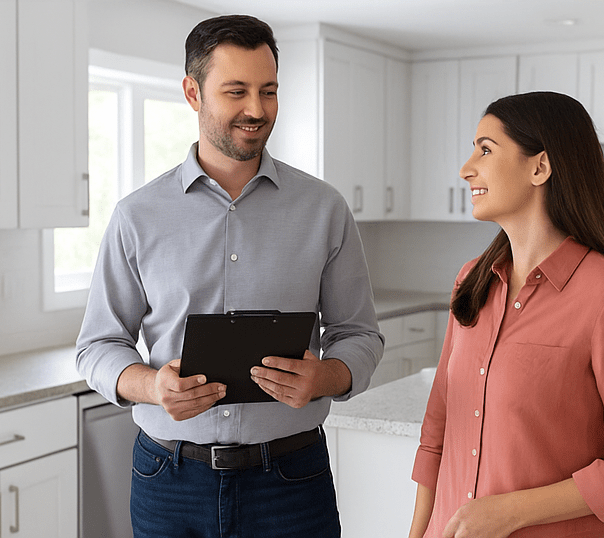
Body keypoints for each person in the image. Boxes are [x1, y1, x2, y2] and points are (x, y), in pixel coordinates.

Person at [75, 14, 383, 538]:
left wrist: (324, 377)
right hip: (169, 481)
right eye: (236, 91)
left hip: (291, 479)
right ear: (192, 93)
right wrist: (153, 386)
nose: (257, 110)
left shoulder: (324, 210)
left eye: (269, 91)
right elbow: (98, 346)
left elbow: (360, 336)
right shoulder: (136, 215)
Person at [408, 92, 604, 538]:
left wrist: (511, 511)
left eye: (486, 149)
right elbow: (438, 430)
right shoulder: (471, 281)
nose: (466, 167)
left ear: (540, 167)